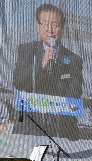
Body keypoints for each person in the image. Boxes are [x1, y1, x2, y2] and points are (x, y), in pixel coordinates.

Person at [12, 4, 83, 140]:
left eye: (54, 25)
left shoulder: (74, 60)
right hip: (29, 127)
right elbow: (19, 82)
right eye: (45, 24)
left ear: (62, 28)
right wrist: (42, 65)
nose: (49, 30)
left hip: (61, 130)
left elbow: (74, 94)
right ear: (38, 26)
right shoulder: (26, 50)